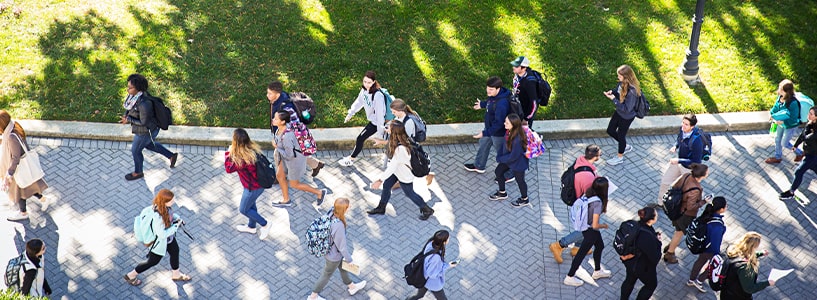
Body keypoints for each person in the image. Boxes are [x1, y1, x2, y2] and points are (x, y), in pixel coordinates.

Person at [366, 121, 435, 220]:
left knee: (409, 193)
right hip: (398, 171)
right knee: (387, 186)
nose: (387, 129)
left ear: (394, 132)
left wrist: (379, 180)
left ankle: (427, 209)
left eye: (389, 128)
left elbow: (391, 167)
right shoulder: (403, 139)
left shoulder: (401, 150)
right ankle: (381, 208)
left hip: (404, 175)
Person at [124, 189, 192, 286]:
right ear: (165, 202)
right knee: (152, 261)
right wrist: (176, 226)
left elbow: (170, 215)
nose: (174, 201)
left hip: (168, 239)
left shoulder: (159, 206)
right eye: (171, 200)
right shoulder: (158, 218)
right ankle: (131, 275)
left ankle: (176, 274)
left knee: (175, 251)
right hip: (159, 242)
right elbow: (162, 234)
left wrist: (177, 219)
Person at [119, 74, 178, 181]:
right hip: (147, 130)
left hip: (145, 131)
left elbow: (143, 122)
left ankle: (138, 172)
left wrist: (128, 120)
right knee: (149, 144)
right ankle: (171, 156)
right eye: (128, 86)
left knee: (136, 151)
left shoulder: (144, 104)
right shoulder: (135, 97)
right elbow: (130, 107)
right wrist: (126, 114)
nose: (128, 89)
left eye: (130, 88)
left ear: (138, 89)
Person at [550, 144, 601, 263]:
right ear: (595, 157)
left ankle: (577, 248)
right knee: (586, 229)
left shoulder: (581, 161)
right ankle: (559, 245)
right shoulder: (587, 177)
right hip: (585, 205)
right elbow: (590, 195)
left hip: (578, 201)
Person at [308, 198, 367, 300]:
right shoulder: (338, 225)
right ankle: (313, 296)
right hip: (333, 256)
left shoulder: (331, 212)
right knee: (326, 275)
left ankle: (352, 287)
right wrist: (349, 260)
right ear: (344, 210)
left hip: (331, 252)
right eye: (348, 207)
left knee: (343, 268)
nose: (350, 207)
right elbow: (342, 246)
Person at [1, 110, 51, 221]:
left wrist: (9, 173)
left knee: (19, 192)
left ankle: (23, 213)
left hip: (18, 169)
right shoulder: (13, 126)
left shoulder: (11, 137)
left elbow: (15, 157)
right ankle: (43, 199)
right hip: (23, 168)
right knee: (27, 188)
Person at [267, 81, 325, 176]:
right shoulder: (277, 100)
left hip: (288, 135)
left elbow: (295, 123)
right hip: (282, 132)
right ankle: (316, 164)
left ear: (277, 94)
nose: (267, 95)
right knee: (297, 153)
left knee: (278, 153)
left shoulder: (287, 108)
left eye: (270, 93)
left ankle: (280, 176)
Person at [270, 111, 327, 207]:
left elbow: (290, 155)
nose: (273, 120)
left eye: (276, 119)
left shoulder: (287, 136)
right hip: (283, 159)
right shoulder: (281, 128)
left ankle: (319, 192)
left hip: (294, 162)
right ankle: (286, 200)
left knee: (294, 184)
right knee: (280, 176)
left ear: (283, 122)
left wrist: (277, 147)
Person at [564, 177, 612, 287]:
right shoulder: (598, 203)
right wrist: (604, 225)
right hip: (590, 230)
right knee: (581, 254)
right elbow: (595, 224)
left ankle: (597, 271)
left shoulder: (589, 193)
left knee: (600, 246)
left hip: (587, 227)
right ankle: (570, 276)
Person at [464, 76, 513, 183]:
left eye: (491, 89)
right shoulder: (495, 96)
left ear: (498, 89)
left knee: (503, 154)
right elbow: (491, 103)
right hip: (490, 129)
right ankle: (479, 165)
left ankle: (510, 173)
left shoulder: (502, 104)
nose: (488, 91)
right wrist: (482, 104)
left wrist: (485, 133)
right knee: (483, 145)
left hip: (498, 133)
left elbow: (499, 124)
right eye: (487, 88)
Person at [224, 128, 270, 239]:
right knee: (251, 206)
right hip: (258, 185)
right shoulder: (252, 149)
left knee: (244, 209)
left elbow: (228, 169)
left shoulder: (242, 158)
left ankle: (265, 224)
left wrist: (228, 153)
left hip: (252, 188)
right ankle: (251, 227)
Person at [338, 70, 388, 167]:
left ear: (374, 82)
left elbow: (380, 114)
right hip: (374, 120)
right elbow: (359, 102)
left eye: (369, 82)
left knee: (360, 138)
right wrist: (350, 114)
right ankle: (389, 157)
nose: (366, 84)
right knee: (389, 141)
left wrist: (380, 131)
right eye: (364, 82)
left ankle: (351, 159)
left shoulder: (378, 96)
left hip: (377, 122)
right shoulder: (364, 91)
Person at [381, 99, 435, 186]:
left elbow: (405, 138)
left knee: (411, 165)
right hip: (401, 145)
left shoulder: (408, 122)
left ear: (400, 111)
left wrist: (392, 132)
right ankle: (427, 175)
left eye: (394, 112)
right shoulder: (399, 117)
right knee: (403, 163)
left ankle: (427, 174)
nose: (392, 113)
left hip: (407, 147)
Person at [663, 163, 709, 264]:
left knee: (677, 231)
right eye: (707, 172)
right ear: (702, 176)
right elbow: (691, 207)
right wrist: (704, 201)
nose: (708, 173)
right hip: (685, 215)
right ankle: (669, 253)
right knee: (679, 233)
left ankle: (671, 246)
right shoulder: (696, 189)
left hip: (676, 209)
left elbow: (674, 186)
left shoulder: (686, 175)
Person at [656, 113, 704, 203]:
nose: (683, 126)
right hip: (678, 163)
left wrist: (678, 160)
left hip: (689, 169)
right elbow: (679, 139)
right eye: (683, 123)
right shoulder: (682, 130)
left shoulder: (697, 141)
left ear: (692, 126)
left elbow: (696, 162)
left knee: (686, 191)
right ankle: (661, 203)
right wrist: (675, 146)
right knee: (665, 181)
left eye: (686, 124)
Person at [488, 114, 530, 208]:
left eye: (507, 122)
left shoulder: (517, 139)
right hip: (508, 160)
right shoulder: (509, 132)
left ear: (513, 125)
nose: (504, 123)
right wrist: (500, 155)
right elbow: (504, 146)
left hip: (518, 164)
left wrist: (500, 158)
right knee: (498, 172)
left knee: (520, 181)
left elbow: (513, 156)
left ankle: (525, 199)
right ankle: (502, 193)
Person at [619, 207, 661, 300]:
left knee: (629, 280)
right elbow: (655, 258)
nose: (657, 216)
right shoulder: (647, 236)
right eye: (656, 215)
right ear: (651, 220)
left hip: (629, 262)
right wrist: (658, 242)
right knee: (651, 285)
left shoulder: (635, 225)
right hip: (641, 267)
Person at [687, 196, 727, 293]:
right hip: (710, 249)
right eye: (726, 206)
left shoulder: (707, 215)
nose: (726, 207)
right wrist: (717, 255)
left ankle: (691, 280)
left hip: (702, 245)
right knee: (712, 266)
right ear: (721, 209)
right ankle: (699, 281)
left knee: (700, 261)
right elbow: (715, 243)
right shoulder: (717, 225)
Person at [603, 65, 641, 166]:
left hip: (626, 116)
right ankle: (625, 146)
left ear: (626, 77)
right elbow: (619, 91)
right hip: (619, 112)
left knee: (621, 135)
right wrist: (613, 92)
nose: (618, 78)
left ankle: (620, 157)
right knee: (610, 130)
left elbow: (627, 108)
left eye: (619, 76)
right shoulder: (622, 83)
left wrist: (613, 100)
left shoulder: (632, 91)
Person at [721, 232, 775, 299]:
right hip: (737, 296)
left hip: (726, 291)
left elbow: (744, 255)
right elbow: (749, 288)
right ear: (752, 247)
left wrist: (760, 253)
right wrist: (767, 283)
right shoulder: (746, 267)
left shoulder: (732, 250)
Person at [406, 230, 457, 300]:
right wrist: (447, 266)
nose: (449, 239)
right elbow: (432, 274)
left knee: (419, 295)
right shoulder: (436, 258)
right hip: (432, 283)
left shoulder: (431, 243)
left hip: (422, 277)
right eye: (448, 238)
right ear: (444, 241)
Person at [780, 106, 817, 200]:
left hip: (812, 156)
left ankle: (791, 192)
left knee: (799, 171)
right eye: (809, 112)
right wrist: (796, 145)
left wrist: (807, 128)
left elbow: (806, 137)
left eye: (811, 114)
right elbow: (802, 135)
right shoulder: (811, 123)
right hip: (809, 153)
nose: (808, 115)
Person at [766, 79, 804, 164]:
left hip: (790, 126)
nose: (778, 90)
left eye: (780, 89)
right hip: (780, 123)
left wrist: (782, 122)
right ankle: (777, 157)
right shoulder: (780, 97)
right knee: (777, 139)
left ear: (786, 91)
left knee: (785, 143)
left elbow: (793, 119)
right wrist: (771, 114)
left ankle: (800, 153)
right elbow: (775, 108)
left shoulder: (793, 103)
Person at [510, 56, 541, 126]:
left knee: (525, 133)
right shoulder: (517, 75)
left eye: (516, 66)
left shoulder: (530, 83)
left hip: (526, 112)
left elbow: (534, 103)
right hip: (518, 108)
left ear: (524, 68)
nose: (513, 67)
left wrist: (526, 119)